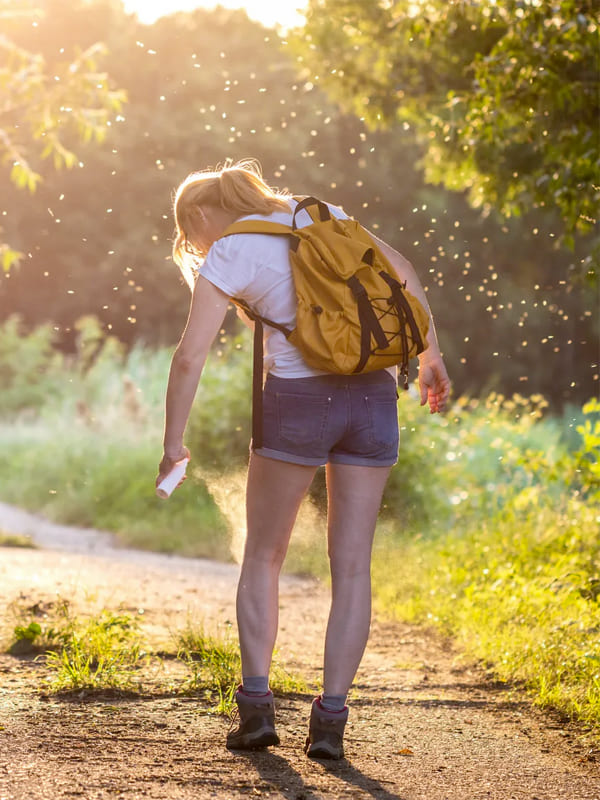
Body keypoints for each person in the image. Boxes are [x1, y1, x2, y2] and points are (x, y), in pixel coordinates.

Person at [156, 159, 450, 760]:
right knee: (353, 568)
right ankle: (331, 723)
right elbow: (405, 272)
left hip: (297, 401)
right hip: (372, 398)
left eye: (192, 234)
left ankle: (258, 713)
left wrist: (172, 443)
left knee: (263, 555)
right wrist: (430, 358)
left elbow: (189, 359)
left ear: (201, 216)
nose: (197, 246)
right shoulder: (322, 215)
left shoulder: (232, 250)